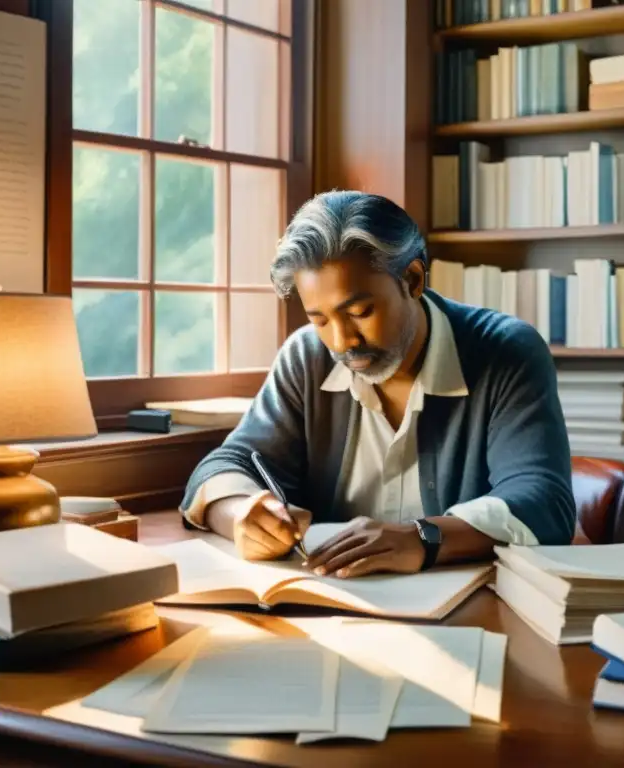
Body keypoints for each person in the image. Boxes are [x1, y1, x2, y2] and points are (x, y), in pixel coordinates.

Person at [179, 190, 576, 578]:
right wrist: (240, 515)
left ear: (414, 279)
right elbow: (223, 466)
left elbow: (544, 502)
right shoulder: (306, 357)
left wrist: (422, 539)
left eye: (360, 311)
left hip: (473, 612)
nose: (341, 341)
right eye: (319, 319)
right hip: (332, 609)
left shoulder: (505, 351)